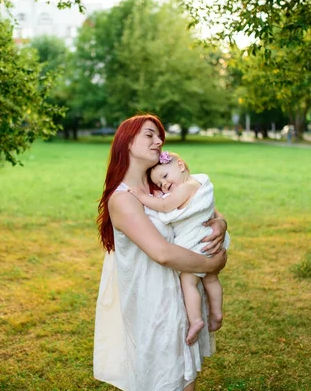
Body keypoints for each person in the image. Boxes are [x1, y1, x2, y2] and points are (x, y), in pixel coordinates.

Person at [94, 114, 229, 391]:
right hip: (152, 304)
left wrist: (220, 223)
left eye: (160, 137)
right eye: (149, 134)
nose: (158, 141)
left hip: (180, 297)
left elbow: (207, 209)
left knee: (185, 377)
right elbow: (163, 253)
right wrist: (211, 265)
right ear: (127, 142)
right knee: (165, 379)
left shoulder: (161, 184)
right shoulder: (122, 199)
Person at [127, 151, 231, 346]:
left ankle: (196, 320)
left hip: (196, 242)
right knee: (211, 278)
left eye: (165, 177)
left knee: (188, 280)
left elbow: (166, 207)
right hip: (207, 241)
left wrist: (142, 195)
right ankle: (216, 313)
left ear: (181, 166)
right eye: (159, 184)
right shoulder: (198, 183)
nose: (164, 185)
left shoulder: (186, 188)